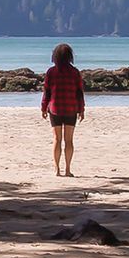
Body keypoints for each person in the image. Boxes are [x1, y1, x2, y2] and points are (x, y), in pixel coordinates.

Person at [39, 42, 85, 176]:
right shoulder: (75, 72)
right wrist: (81, 109)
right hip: (71, 108)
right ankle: (68, 170)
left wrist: (43, 107)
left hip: (55, 108)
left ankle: (57, 170)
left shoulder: (51, 72)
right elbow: (79, 92)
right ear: (69, 56)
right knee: (69, 140)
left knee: (57, 139)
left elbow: (46, 92)